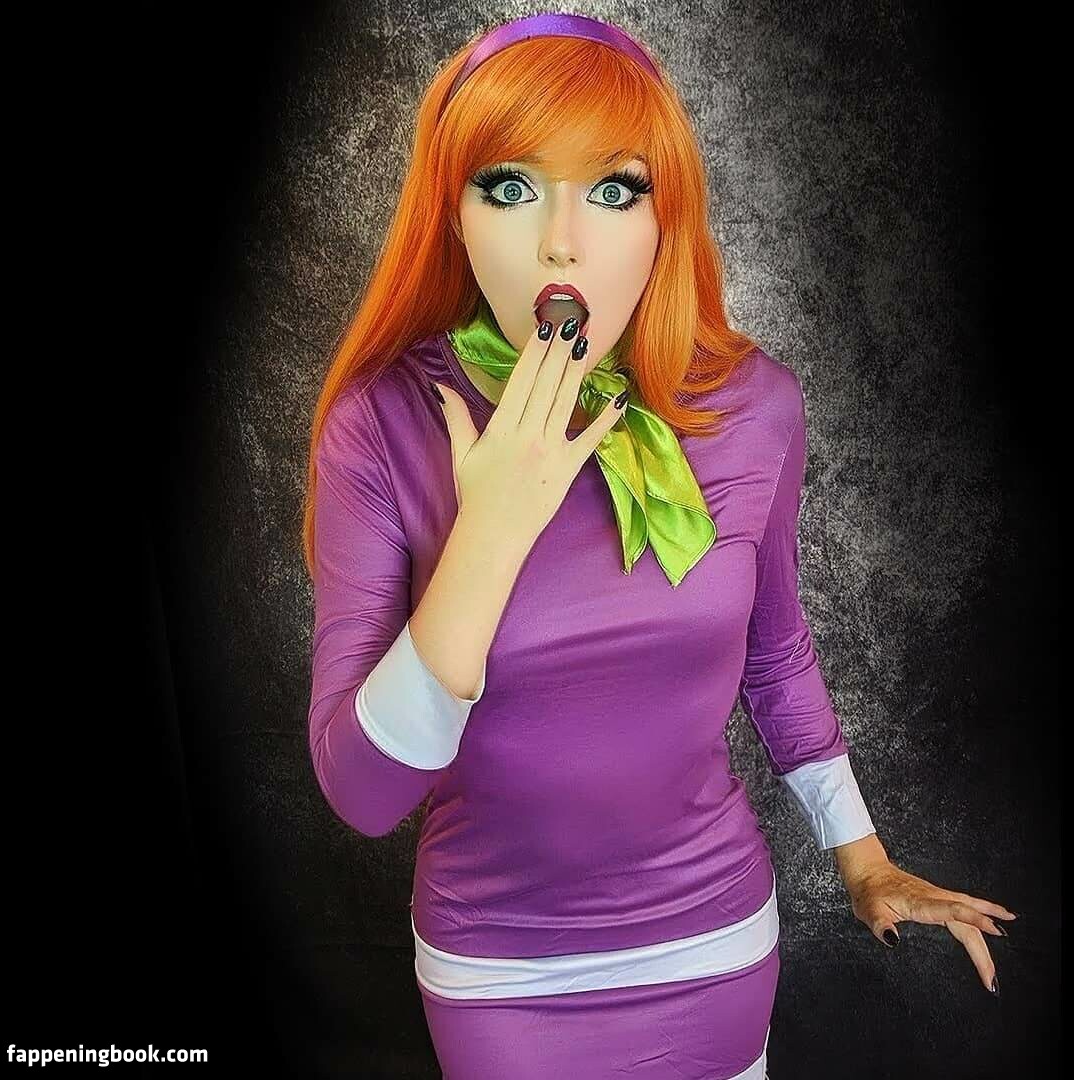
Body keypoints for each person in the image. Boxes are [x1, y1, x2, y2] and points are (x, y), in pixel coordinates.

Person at [302, 14, 1016, 1078]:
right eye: (509, 186)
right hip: (501, 970)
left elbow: (776, 653)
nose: (562, 241)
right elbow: (364, 794)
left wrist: (863, 860)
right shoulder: (380, 423)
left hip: (714, 944)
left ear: (662, 214)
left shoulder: (756, 407)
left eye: (612, 189)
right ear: (452, 213)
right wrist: (491, 528)